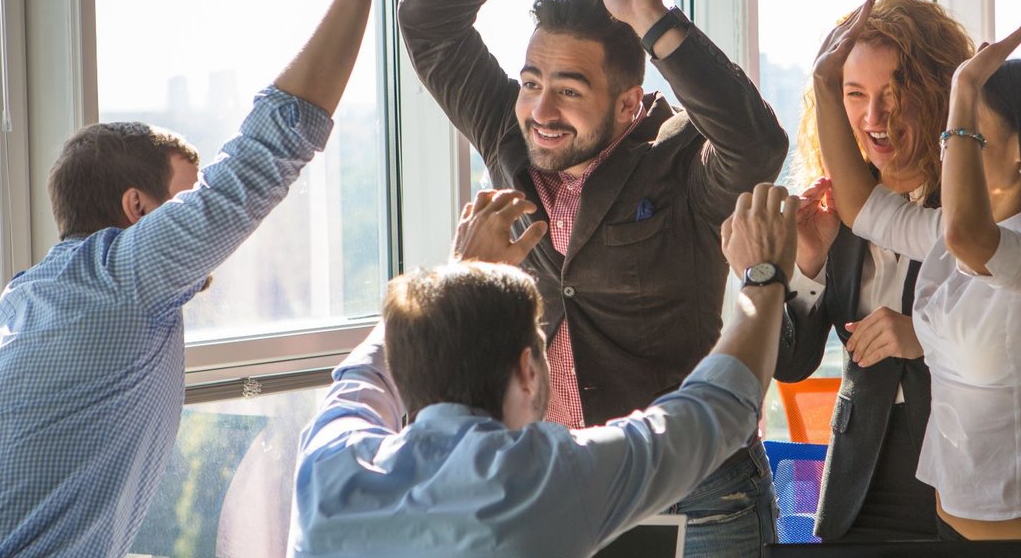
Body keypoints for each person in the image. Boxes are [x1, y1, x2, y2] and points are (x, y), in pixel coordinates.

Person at [0, 0, 378, 558]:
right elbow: (270, 151)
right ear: (137, 208)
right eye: (186, 198)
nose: (202, 224)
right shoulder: (122, 277)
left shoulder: (31, 297)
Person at [397, 0, 789, 553]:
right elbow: (428, 27)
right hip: (556, 478)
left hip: (693, 485)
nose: (541, 109)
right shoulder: (512, 138)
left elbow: (756, 145)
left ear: (629, 102)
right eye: (530, 82)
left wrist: (654, 22)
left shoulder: (675, 155)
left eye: (570, 90)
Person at [810, 0, 1021, 554]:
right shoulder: (947, 234)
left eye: (967, 135)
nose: (950, 150)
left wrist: (965, 89)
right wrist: (827, 84)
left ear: (1020, 149)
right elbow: (860, 206)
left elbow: (976, 242)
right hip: (954, 537)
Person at [289, 185, 798, 557]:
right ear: (528, 370)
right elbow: (715, 411)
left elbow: (362, 374)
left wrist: (459, 275)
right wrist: (763, 277)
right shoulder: (541, 479)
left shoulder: (328, 460)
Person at [774, 0, 973, 542]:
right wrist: (806, 264)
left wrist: (923, 338)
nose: (872, 118)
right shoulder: (833, 208)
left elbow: (1017, 333)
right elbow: (791, 365)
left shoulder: (973, 207)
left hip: (962, 472)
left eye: (893, 95)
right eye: (854, 95)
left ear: (937, 96)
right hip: (857, 486)